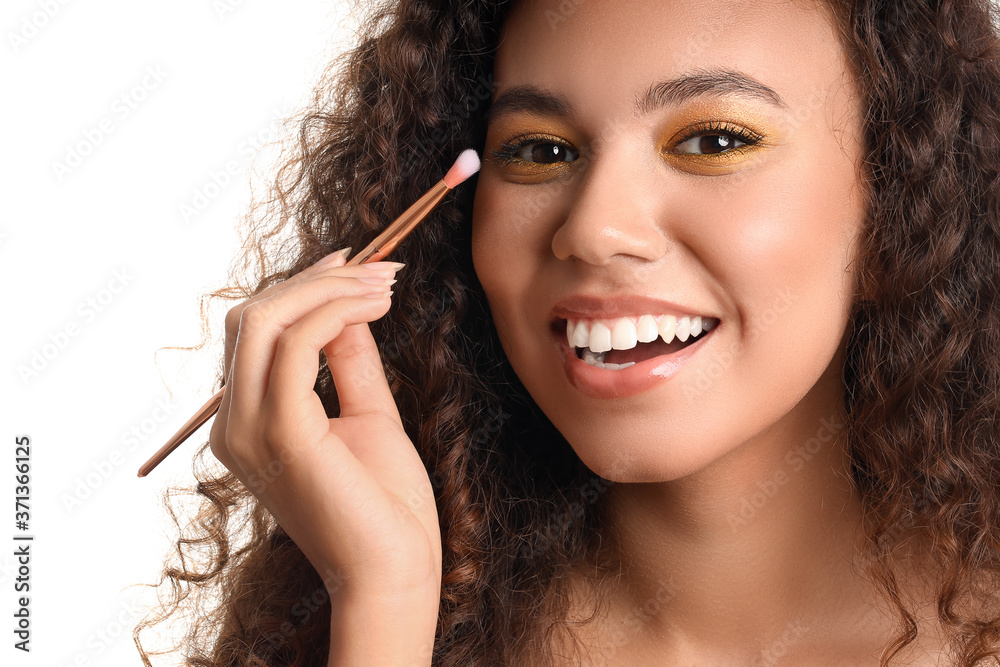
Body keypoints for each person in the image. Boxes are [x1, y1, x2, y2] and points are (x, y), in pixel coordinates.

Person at [135, 0, 1000, 664]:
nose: (593, 229)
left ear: (902, 191)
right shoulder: (399, 622)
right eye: (541, 152)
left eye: (713, 139)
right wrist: (380, 598)